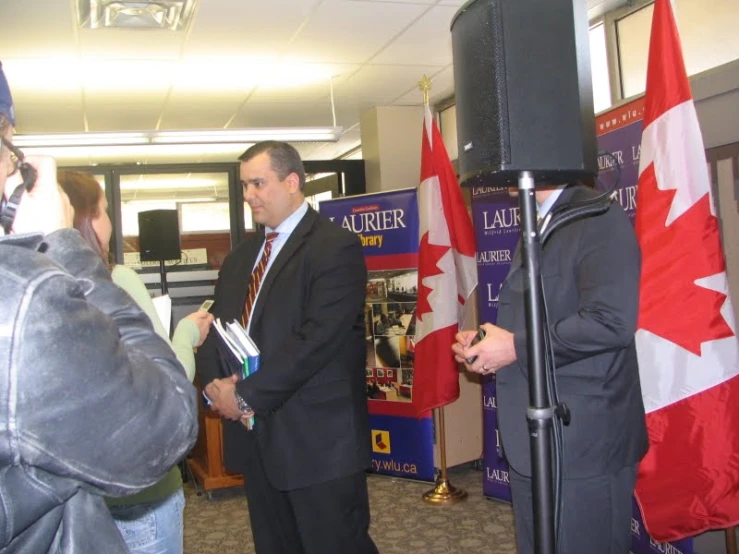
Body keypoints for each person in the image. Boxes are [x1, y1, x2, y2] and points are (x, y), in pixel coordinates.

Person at [0, 63, 199, 553]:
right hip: (130, 492)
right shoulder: (28, 298)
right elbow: (165, 420)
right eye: (9, 147)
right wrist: (64, 249)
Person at [196, 141, 377, 554]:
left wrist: (243, 395)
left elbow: (316, 341)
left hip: (317, 444)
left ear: (292, 182)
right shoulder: (241, 259)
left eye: (258, 183)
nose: (248, 196)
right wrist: (214, 387)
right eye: (244, 186)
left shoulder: (335, 247)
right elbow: (216, 330)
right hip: (258, 440)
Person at [452, 182, 648, 553]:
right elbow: (547, 314)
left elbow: (611, 322)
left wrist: (512, 347)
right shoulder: (541, 218)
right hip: (535, 436)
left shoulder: (597, 215)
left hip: (583, 442)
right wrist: (486, 344)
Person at [57, 170, 213, 554]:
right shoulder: (116, 279)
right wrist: (186, 334)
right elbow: (167, 382)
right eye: (106, 210)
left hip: (71, 497)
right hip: (138, 491)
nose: (110, 221)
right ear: (88, 219)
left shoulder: (35, 284)